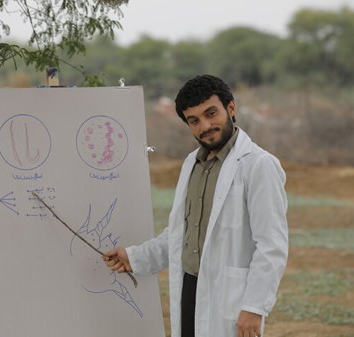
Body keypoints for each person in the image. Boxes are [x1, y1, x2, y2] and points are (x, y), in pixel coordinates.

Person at [103, 74, 288, 337]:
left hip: (231, 298)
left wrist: (255, 307)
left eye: (211, 113)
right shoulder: (192, 164)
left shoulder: (258, 165)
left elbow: (272, 245)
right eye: (194, 120)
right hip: (189, 289)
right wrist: (135, 257)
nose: (205, 125)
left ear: (231, 108)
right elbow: (181, 234)